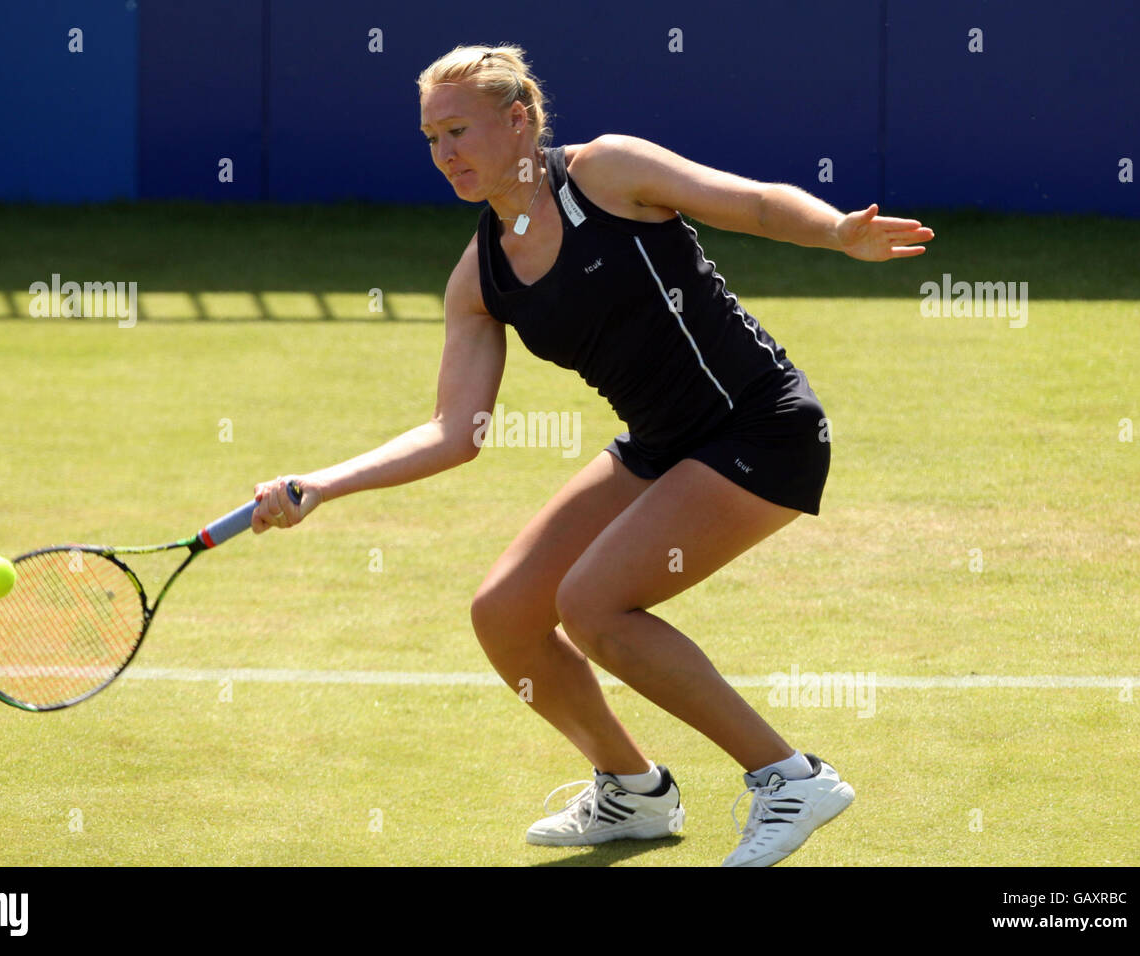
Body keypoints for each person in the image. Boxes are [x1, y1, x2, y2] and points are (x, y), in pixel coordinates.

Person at [251, 44, 933, 867]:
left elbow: (747, 203)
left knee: (594, 604)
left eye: (459, 131)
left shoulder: (608, 173)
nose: (446, 156)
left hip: (761, 428)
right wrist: (322, 483)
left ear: (519, 120)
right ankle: (633, 791)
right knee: (504, 613)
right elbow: (453, 431)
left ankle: (789, 777)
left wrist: (833, 231)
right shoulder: (479, 277)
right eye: (431, 139)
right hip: (660, 447)